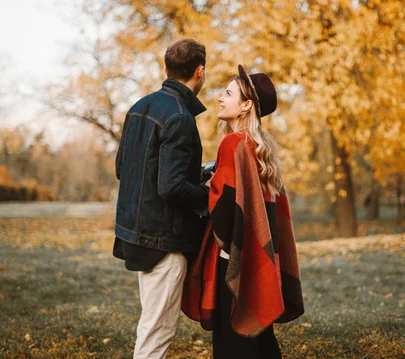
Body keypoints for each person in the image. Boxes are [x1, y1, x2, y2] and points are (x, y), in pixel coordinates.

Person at [182, 65, 304, 358]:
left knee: (233, 341)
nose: (221, 99)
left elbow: (222, 207)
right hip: (259, 257)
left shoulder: (232, 143)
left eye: (228, 93)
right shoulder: (263, 149)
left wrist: (206, 184)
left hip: (233, 258)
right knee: (259, 338)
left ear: (246, 105)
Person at [113, 38, 210, 359]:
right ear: (200, 71)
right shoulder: (180, 116)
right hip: (162, 242)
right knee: (157, 332)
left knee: (152, 323)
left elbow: (122, 169)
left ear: (166, 69)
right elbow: (171, 187)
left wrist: (195, 176)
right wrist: (210, 196)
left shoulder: (139, 107)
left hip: (136, 234)